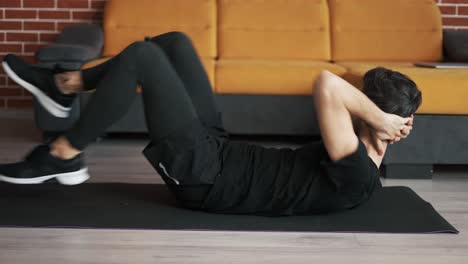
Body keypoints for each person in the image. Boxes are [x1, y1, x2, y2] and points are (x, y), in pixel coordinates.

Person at [0, 31, 420, 216]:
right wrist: (383, 119)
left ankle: (63, 154)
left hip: (205, 178)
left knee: (142, 58)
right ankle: (65, 86)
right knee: (175, 43)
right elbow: (335, 90)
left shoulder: (355, 170)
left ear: (381, 118)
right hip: (222, 154)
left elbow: (326, 84)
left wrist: (381, 118)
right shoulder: (352, 153)